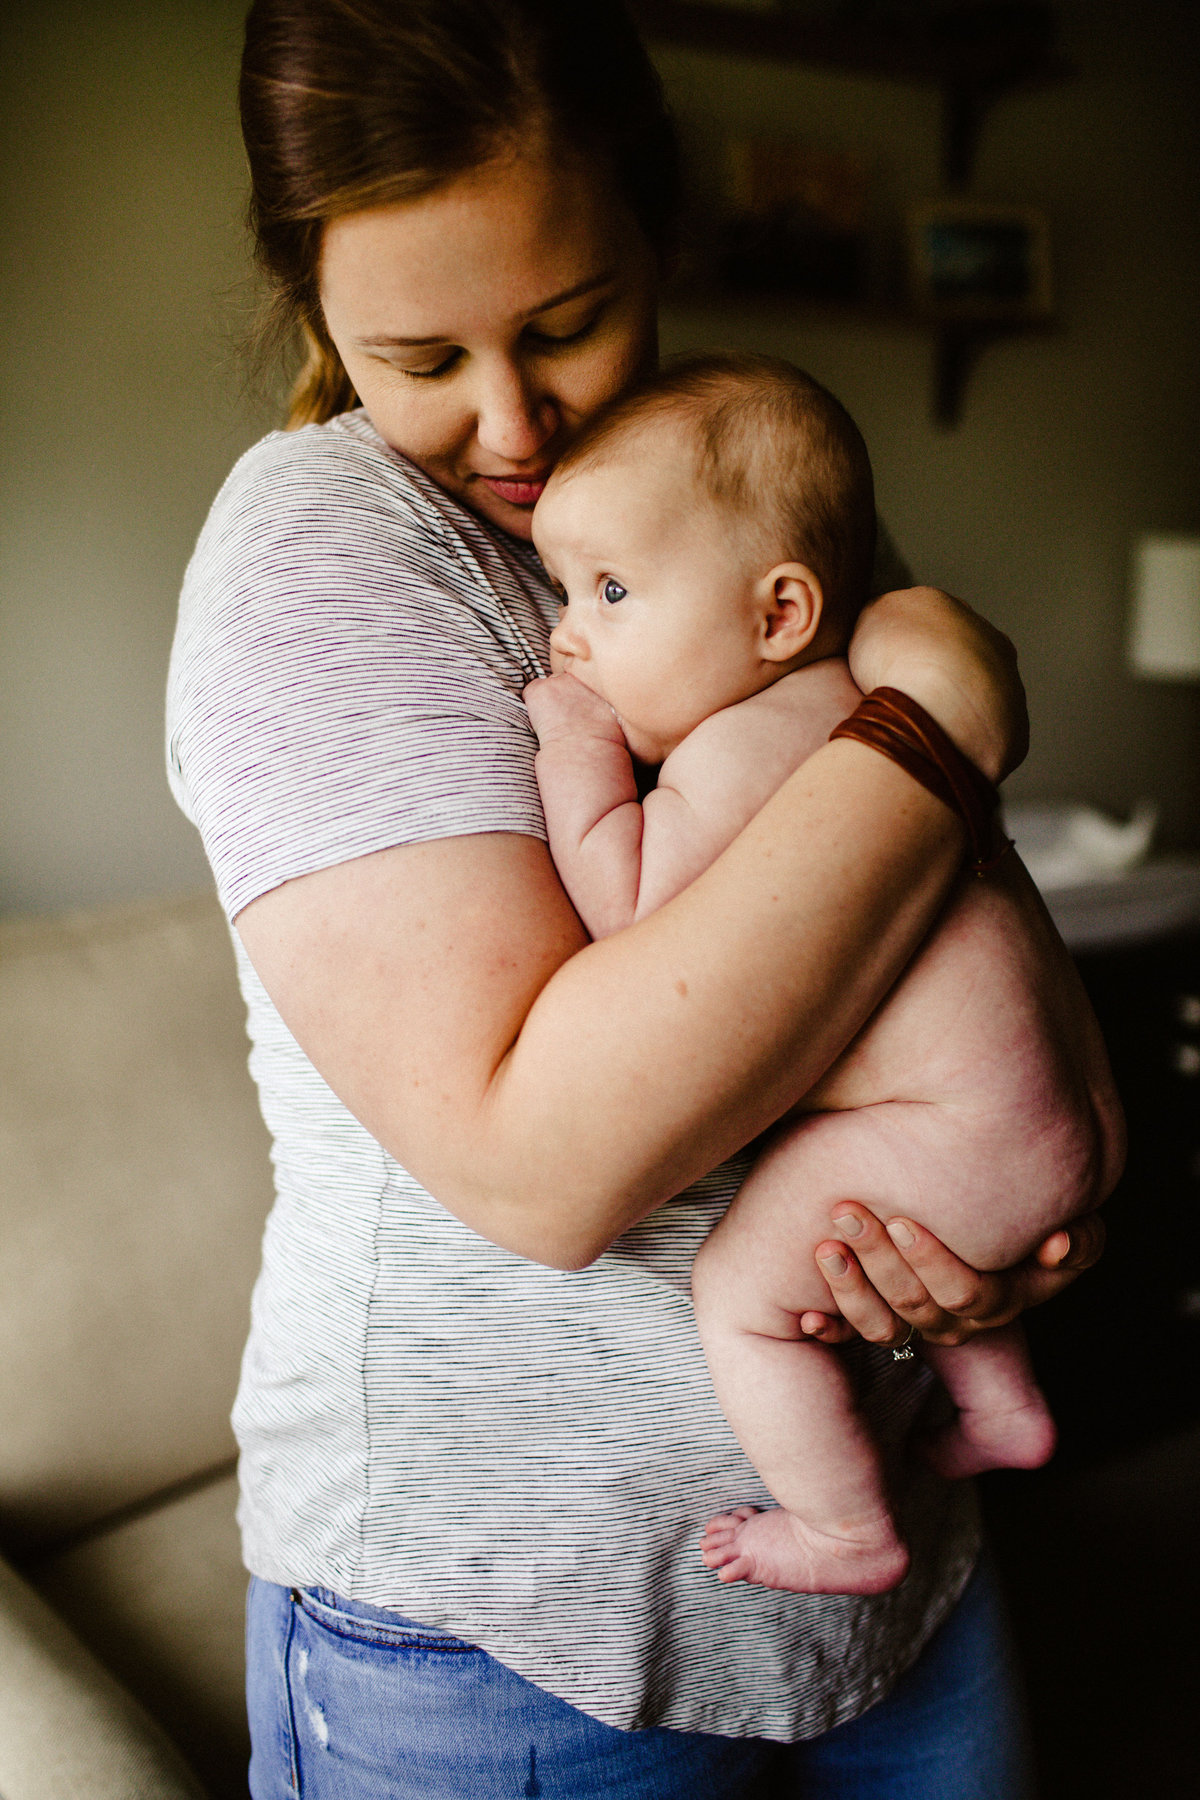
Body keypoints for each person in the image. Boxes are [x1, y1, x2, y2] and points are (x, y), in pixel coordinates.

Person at [167, 2, 1105, 1794]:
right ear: (311, 309)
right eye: (419, 353)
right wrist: (941, 723)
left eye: (569, 322)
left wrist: (1034, 1182)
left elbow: (943, 927)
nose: (510, 421)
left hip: (886, 1563)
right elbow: (549, 1167)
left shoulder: (732, 466)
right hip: (510, 1629)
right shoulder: (324, 550)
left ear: (658, 242)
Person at [525, 351, 1123, 1600]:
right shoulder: (857, 698)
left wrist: (577, 751)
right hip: (1043, 1118)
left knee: (736, 1296)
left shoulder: (740, 751)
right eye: (566, 590)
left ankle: (850, 1530)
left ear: (778, 614)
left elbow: (626, 911)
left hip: (959, 1133)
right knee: (896, 1204)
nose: (568, 634)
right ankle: (1004, 1400)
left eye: (614, 591)